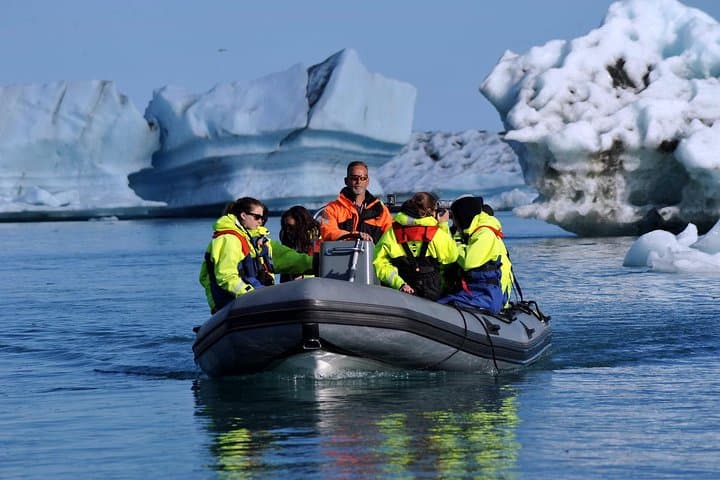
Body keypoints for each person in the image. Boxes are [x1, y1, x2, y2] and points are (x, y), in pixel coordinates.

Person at [199, 197, 313, 313]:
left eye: (262, 218)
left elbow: (290, 259)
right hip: (237, 304)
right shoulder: (229, 240)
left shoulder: (256, 241)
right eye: (257, 217)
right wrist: (252, 295)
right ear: (243, 215)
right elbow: (226, 277)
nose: (260, 221)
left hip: (257, 301)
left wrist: (318, 262)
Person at [373, 192, 458, 300]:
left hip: (402, 291)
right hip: (432, 292)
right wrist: (443, 225)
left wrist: (399, 284)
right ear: (430, 211)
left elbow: (379, 263)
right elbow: (452, 256)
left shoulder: (392, 233)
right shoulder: (437, 235)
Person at [438, 196, 513, 314]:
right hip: (477, 293)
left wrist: (451, 243)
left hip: (487, 296)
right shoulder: (472, 234)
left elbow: (469, 261)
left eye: (455, 218)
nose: (455, 223)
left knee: (440, 306)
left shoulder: (485, 235)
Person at [320, 161, 393, 243]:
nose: (359, 182)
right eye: (354, 178)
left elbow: (390, 238)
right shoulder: (330, 209)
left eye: (363, 178)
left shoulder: (381, 211)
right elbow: (327, 231)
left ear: (367, 181)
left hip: (373, 255)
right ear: (346, 181)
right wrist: (355, 236)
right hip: (341, 255)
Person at [278, 205, 321, 282]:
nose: (288, 230)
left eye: (291, 227)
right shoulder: (288, 238)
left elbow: (321, 266)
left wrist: (305, 277)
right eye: (285, 227)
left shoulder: (317, 240)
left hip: (314, 283)